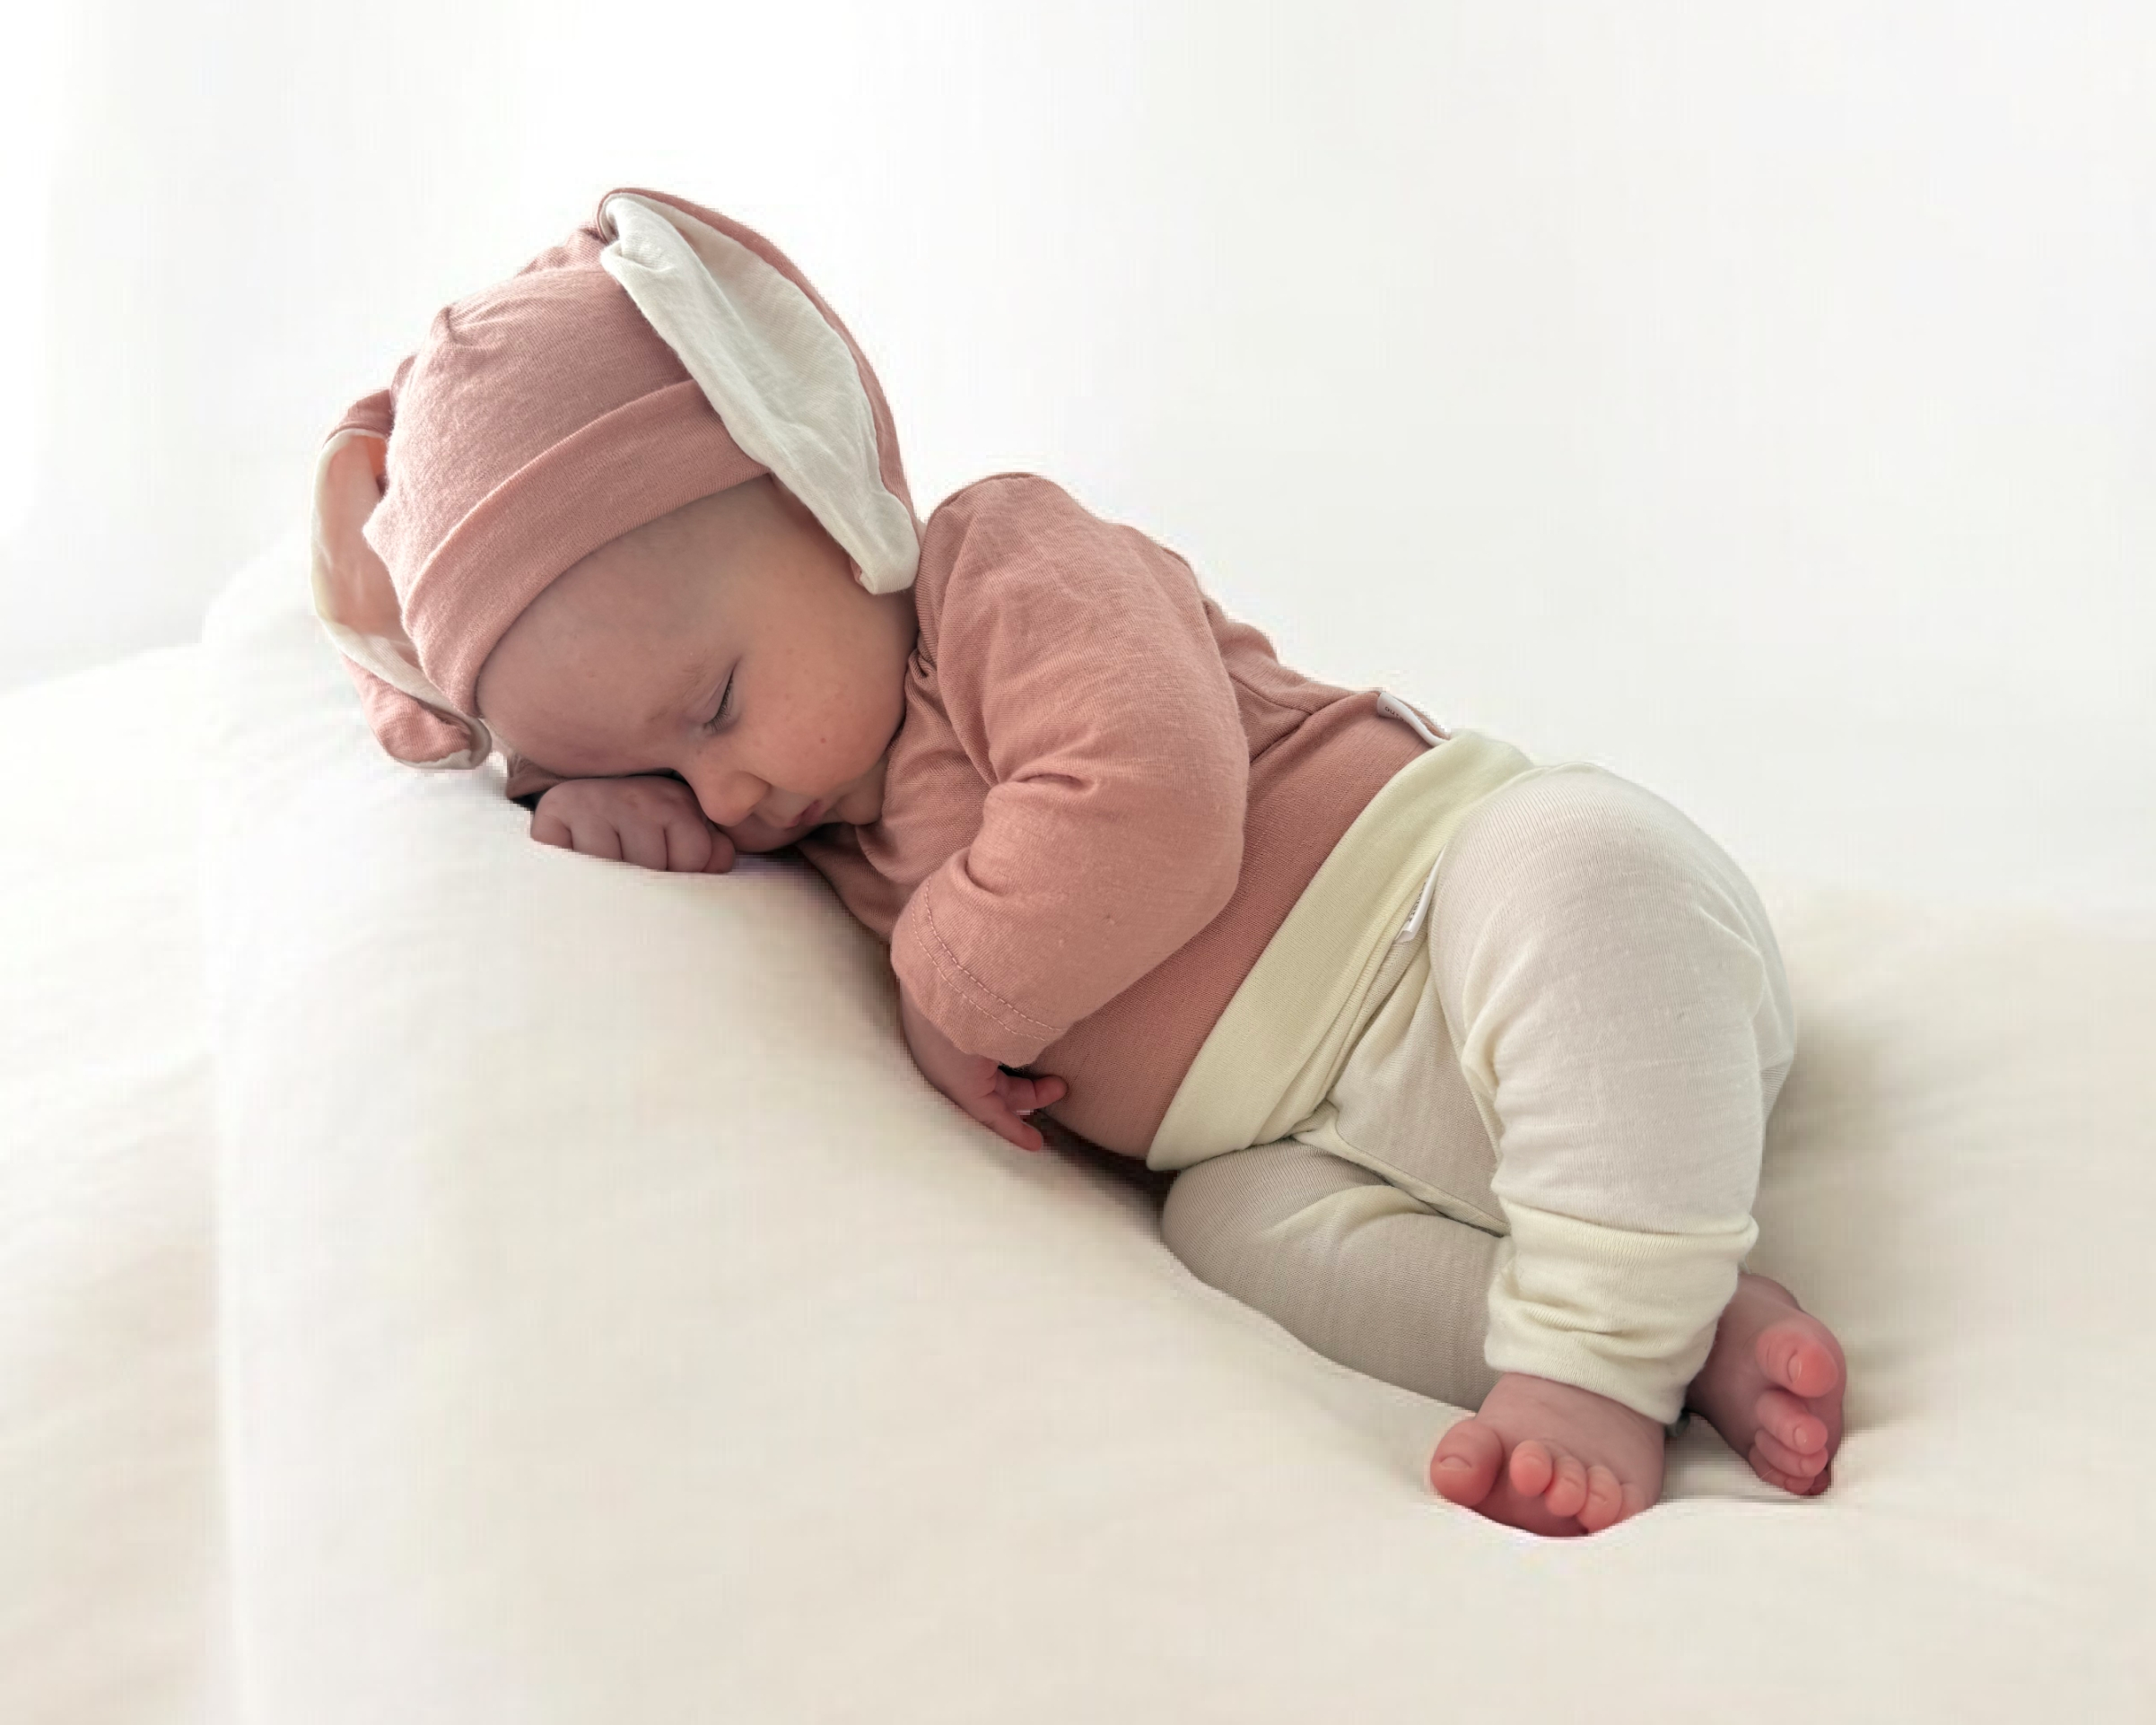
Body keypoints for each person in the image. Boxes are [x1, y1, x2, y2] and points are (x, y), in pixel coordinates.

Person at [312, 186, 1846, 1538]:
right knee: (1237, 1242)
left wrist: (947, 986)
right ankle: (1667, 1319)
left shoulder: (999, 563)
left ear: (822, 491)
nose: (730, 783)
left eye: (711, 705)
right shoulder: (804, 824)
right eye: (656, 765)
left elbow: (1153, 803)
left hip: (1436, 917)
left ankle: (1590, 1362)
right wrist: (618, 816)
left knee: (1581, 874)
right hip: (1276, 1143)